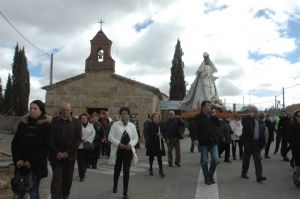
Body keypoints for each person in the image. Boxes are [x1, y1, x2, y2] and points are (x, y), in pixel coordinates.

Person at [11, 100, 51, 199]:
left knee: (33, 191)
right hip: (21, 165)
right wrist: (17, 159)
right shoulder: (23, 124)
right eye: (31, 108)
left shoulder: (46, 126)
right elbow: (15, 144)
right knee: (17, 192)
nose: (32, 110)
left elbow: (46, 148)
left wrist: (31, 161)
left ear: (41, 111)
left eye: (35, 108)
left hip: (36, 166)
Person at [49, 102, 82, 199]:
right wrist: (57, 152)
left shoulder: (76, 122)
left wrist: (68, 152)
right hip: (56, 157)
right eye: (63, 110)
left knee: (67, 181)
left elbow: (78, 139)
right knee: (56, 181)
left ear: (70, 111)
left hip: (70, 158)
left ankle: (65, 195)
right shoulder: (54, 121)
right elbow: (50, 139)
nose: (65, 111)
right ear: (60, 110)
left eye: (67, 110)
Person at [108, 107, 138, 199]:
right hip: (118, 151)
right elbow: (110, 137)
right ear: (120, 115)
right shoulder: (115, 125)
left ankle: (125, 192)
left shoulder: (132, 126)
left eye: (126, 113)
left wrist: (130, 144)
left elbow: (135, 138)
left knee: (126, 171)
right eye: (122, 114)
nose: (124, 115)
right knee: (117, 170)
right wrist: (119, 144)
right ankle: (115, 185)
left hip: (128, 151)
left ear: (128, 115)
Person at [192, 100, 220, 185]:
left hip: (213, 142)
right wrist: (195, 139)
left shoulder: (212, 116)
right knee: (204, 161)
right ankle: (206, 178)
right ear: (203, 107)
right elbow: (194, 129)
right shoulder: (198, 117)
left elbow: (218, 124)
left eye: (210, 105)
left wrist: (214, 116)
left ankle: (210, 175)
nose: (210, 107)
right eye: (208, 105)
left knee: (215, 159)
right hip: (203, 142)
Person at [240, 106, 267, 182]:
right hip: (248, 143)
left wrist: (264, 143)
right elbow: (246, 126)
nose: (255, 113)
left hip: (257, 143)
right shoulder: (246, 119)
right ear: (250, 112)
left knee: (258, 159)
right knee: (246, 159)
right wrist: (250, 118)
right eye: (253, 111)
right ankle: (244, 172)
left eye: (256, 111)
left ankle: (259, 176)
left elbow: (262, 133)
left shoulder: (260, 121)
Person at [146, 112, 166, 177]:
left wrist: (162, 135)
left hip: (159, 142)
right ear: (152, 118)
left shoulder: (161, 124)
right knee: (151, 156)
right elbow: (148, 133)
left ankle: (161, 170)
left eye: (157, 117)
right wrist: (156, 134)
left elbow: (164, 132)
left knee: (159, 157)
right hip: (152, 142)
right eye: (155, 117)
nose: (156, 118)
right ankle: (151, 168)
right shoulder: (150, 124)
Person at [77, 113, 95, 181]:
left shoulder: (91, 126)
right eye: (82, 118)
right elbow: (77, 133)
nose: (84, 119)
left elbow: (93, 134)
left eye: (85, 118)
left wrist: (88, 140)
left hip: (88, 146)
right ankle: (81, 175)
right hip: (80, 147)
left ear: (87, 119)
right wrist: (82, 139)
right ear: (80, 119)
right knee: (80, 162)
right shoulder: (78, 126)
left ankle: (83, 172)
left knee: (86, 161)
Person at [288, 110, 300, 187]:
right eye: (298, 116)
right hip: (296, 149)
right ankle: (296, 177)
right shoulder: (293, 126)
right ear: (295, 117)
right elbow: (290, 138)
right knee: (299, 165)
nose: (299, 117)